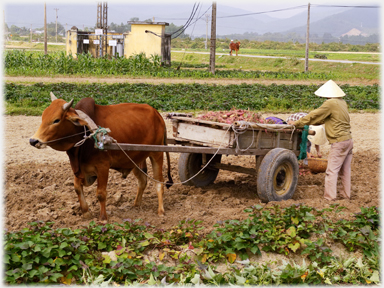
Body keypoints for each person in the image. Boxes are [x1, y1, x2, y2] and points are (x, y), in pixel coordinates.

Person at [288, 80, 353, 201]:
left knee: (331, 171)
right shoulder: (342, 102)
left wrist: (296, 123)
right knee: (345, 170)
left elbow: (314, 115)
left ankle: (330, 198)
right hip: (348, 140)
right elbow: (323, 119)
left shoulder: (330, 103)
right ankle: (346, 196)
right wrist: (309, 124)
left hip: (338, 141)